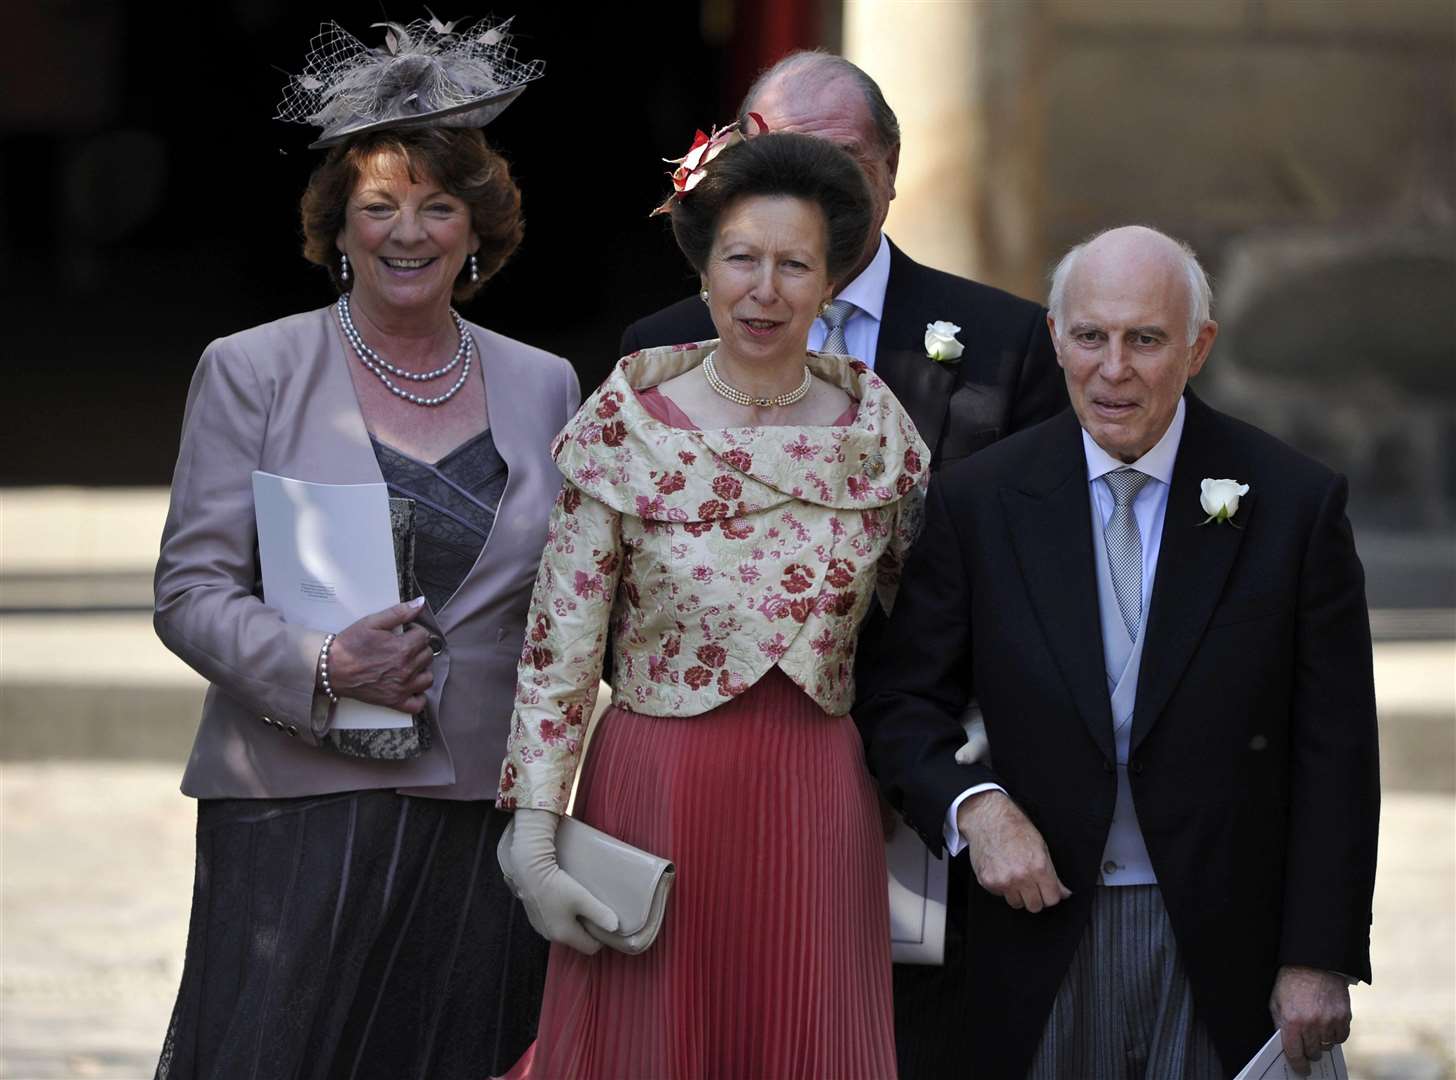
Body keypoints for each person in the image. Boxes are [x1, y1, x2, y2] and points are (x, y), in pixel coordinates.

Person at [150, 17, 575, 1079]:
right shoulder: (253, 369)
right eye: (378, 206)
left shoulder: (547, 385)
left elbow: (573, 599)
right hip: (291, 794)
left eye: (438, 206)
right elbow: (189, 590)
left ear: (478, 229)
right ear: (336, 228)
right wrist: (326, 665)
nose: (408, 232)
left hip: (476, 808)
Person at [856, 225, 1381, 1079]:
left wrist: (1318, 955)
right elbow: (899, 701)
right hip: (1036, 931)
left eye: (1146, 339)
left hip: (1225, 938)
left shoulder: (1294, 503)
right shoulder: (977, 503)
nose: (1114, 368)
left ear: (1198, 346)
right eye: (1091, 336)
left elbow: (1337, 749)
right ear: (1056, 339)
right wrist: (975, 809)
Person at [496, 129, 926, 1078]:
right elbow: (558, 647)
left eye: (793, 265)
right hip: (657, 787)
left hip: (819, 792)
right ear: (705, 269)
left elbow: (936, 631)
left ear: (828, 284)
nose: (763, 289)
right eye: (742, 258)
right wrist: (534, 835)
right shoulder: (627, 424)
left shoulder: (877, 429)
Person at [621, 50, 1066, 472]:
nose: (818, 192)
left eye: (842, 160)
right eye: (786, 165)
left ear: (889, 167)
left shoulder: (1012, 343)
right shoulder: (659, 350)